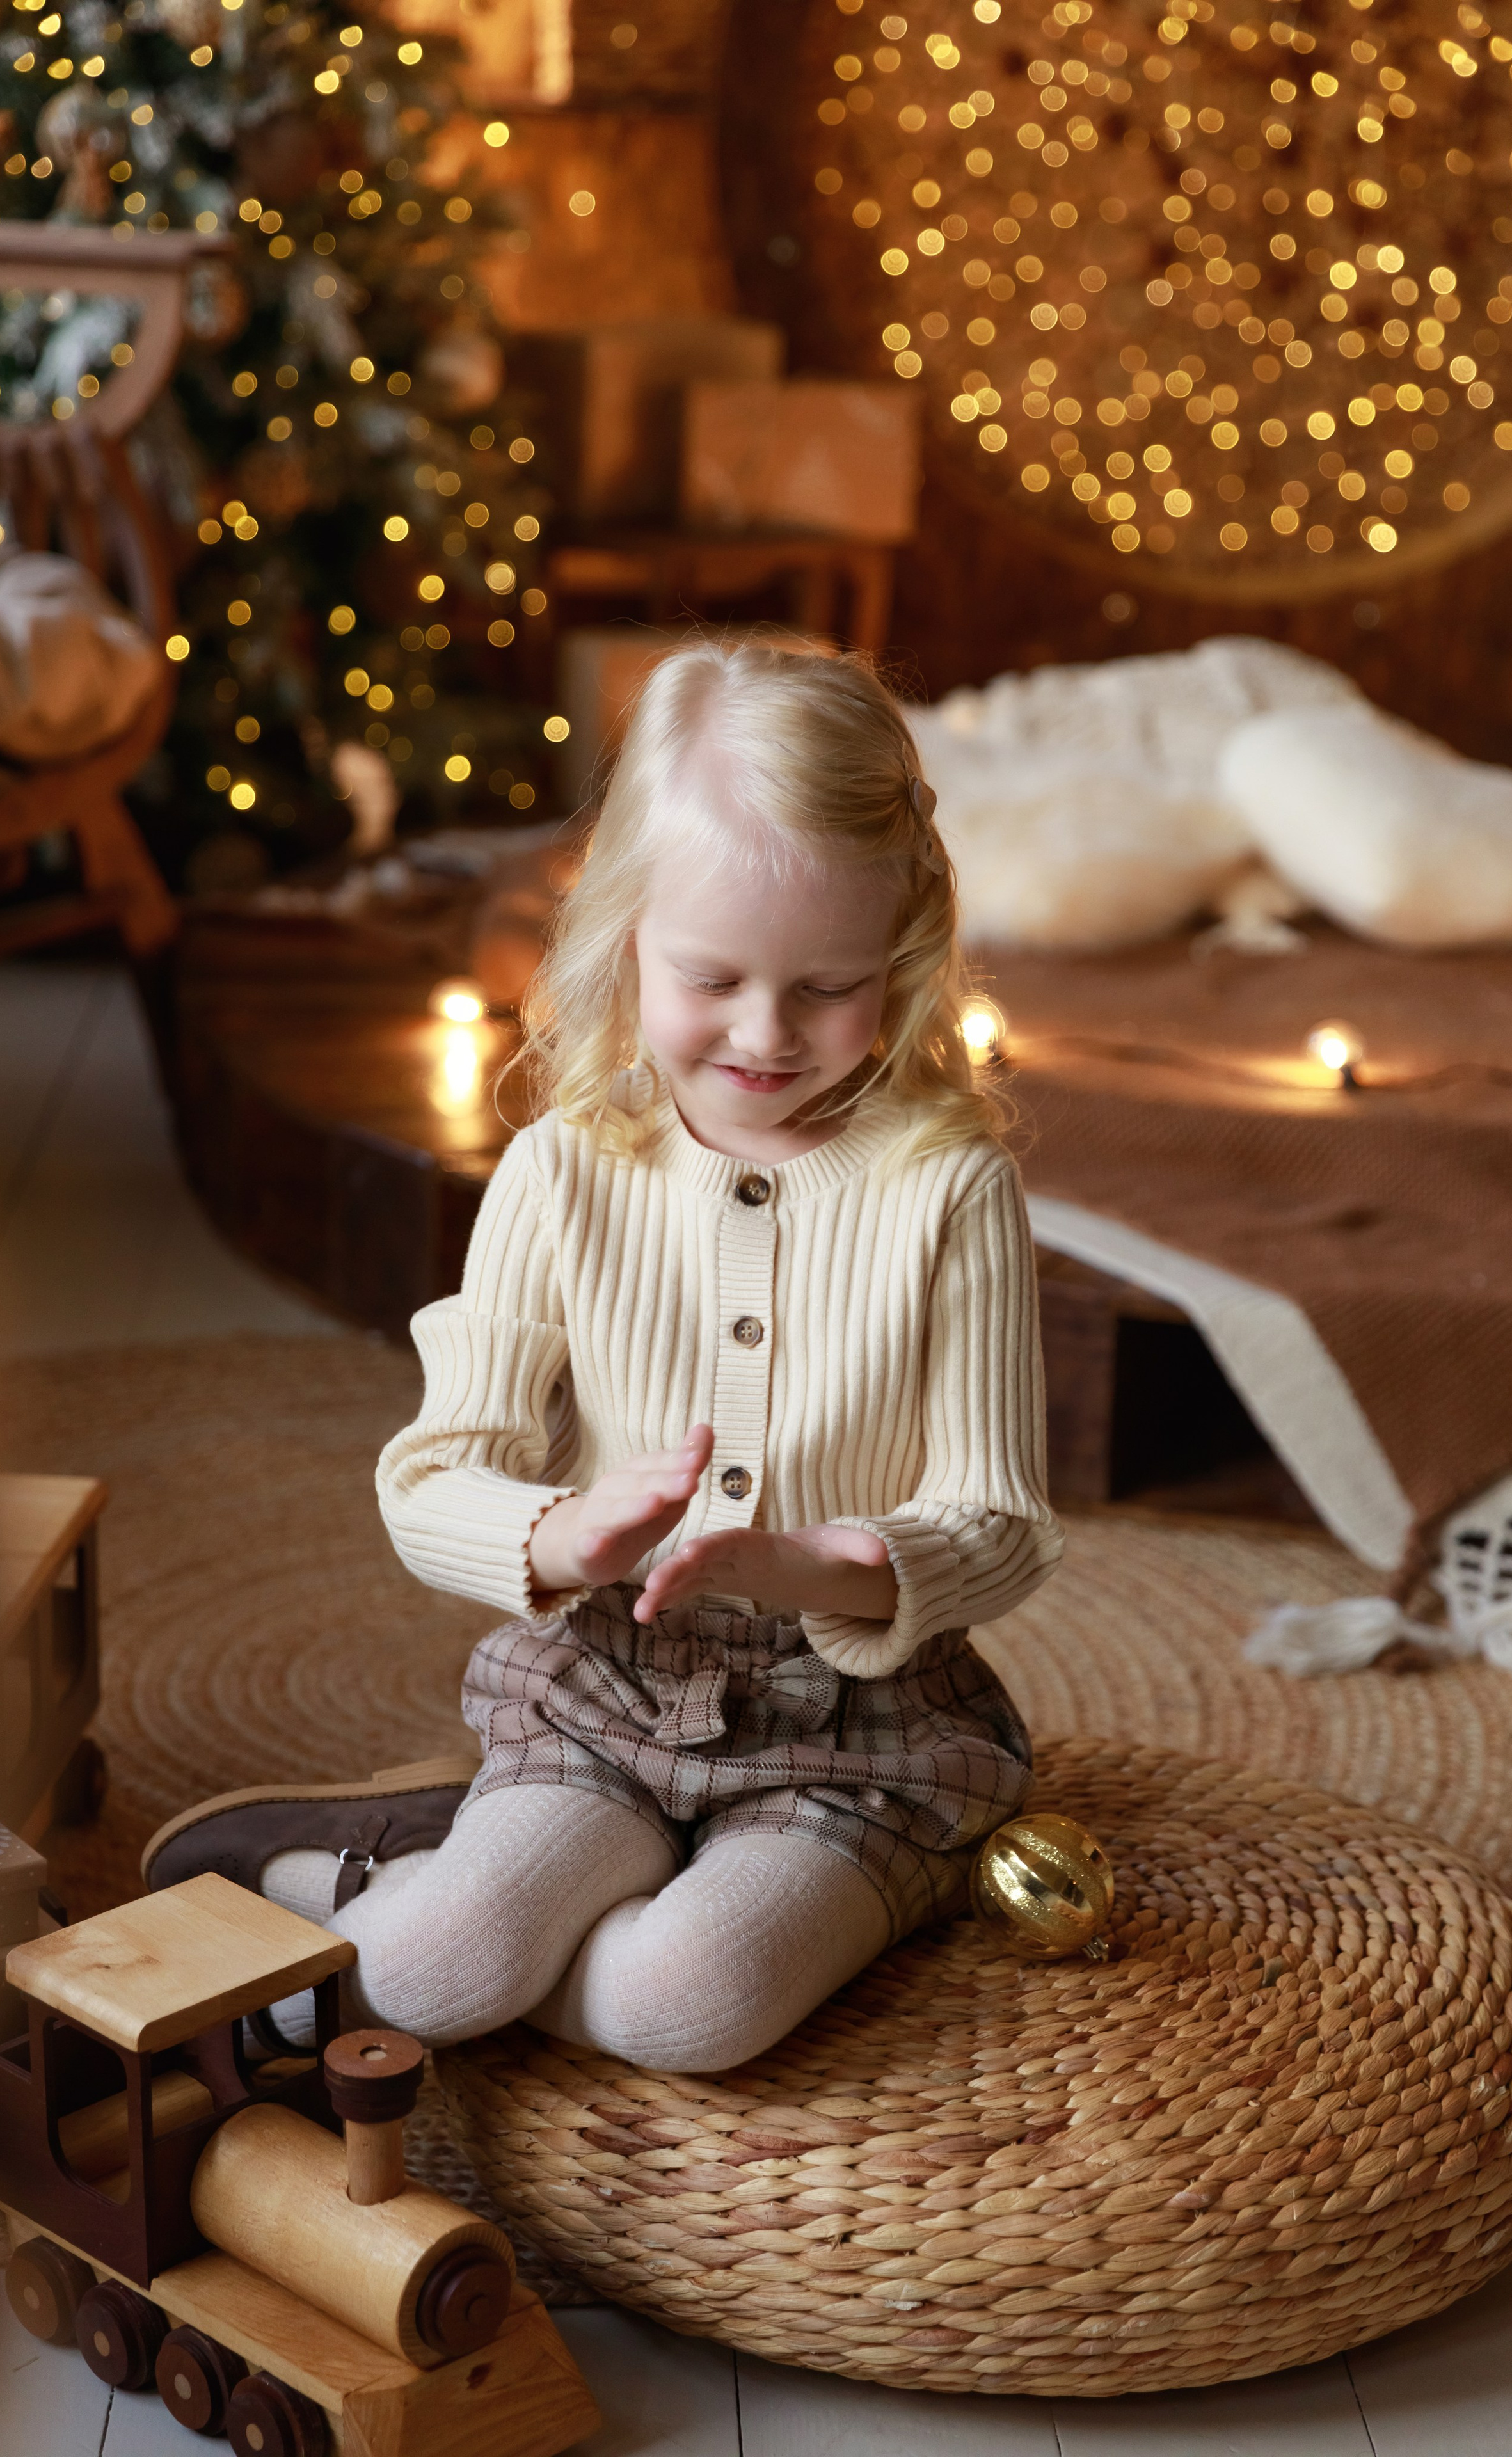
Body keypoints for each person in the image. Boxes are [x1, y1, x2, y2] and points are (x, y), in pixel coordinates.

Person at [144, 642, 1062, 2071]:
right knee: (447, 1964)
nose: (768, 1035)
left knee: (677, 2008)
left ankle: (459, 1912)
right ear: (624, 931)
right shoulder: (561, 1171)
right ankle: (388, 1895)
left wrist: (814, 1566)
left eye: (829, 986)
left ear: (906, 949)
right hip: (601, 1691)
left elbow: (1002, 1523)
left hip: (862, 1736)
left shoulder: (949, 1187)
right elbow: (434, 1479)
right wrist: (564, 1535)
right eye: (715, 978)